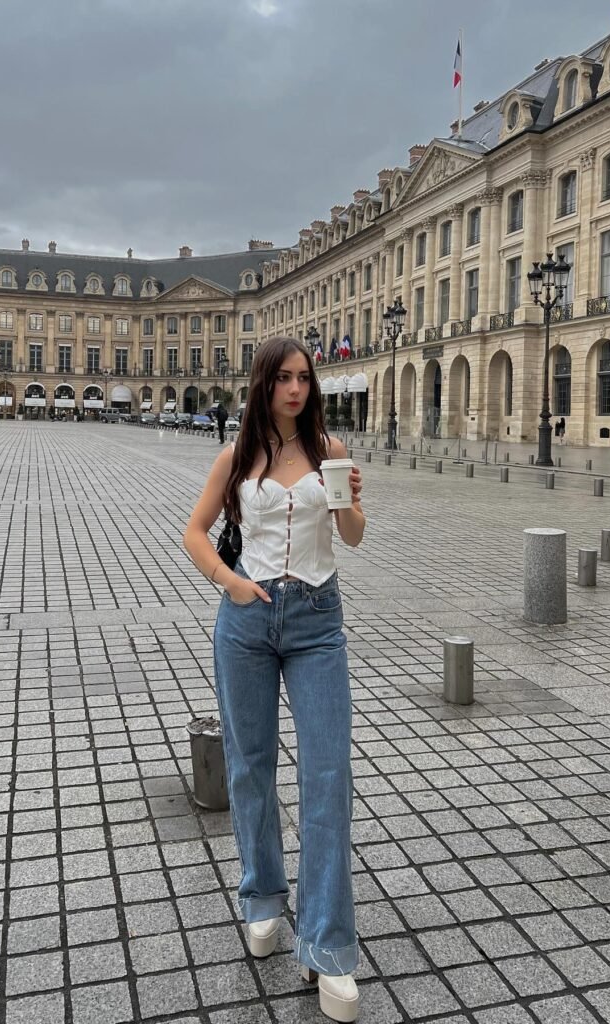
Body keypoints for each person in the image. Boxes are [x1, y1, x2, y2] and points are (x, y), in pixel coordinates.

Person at [184, 336, 365, 1022]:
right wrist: (228, 582)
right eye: (284, 378)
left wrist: (349, 499)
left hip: (318, 619)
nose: (296, 388)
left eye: (304, 378)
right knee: (250, 765)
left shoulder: (330, 449)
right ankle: (262, 896)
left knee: (328, 773)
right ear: (264, 384)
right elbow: (195, 531)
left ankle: (327, 943)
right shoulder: (236, 455)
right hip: (248, 620)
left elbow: (353, 536)